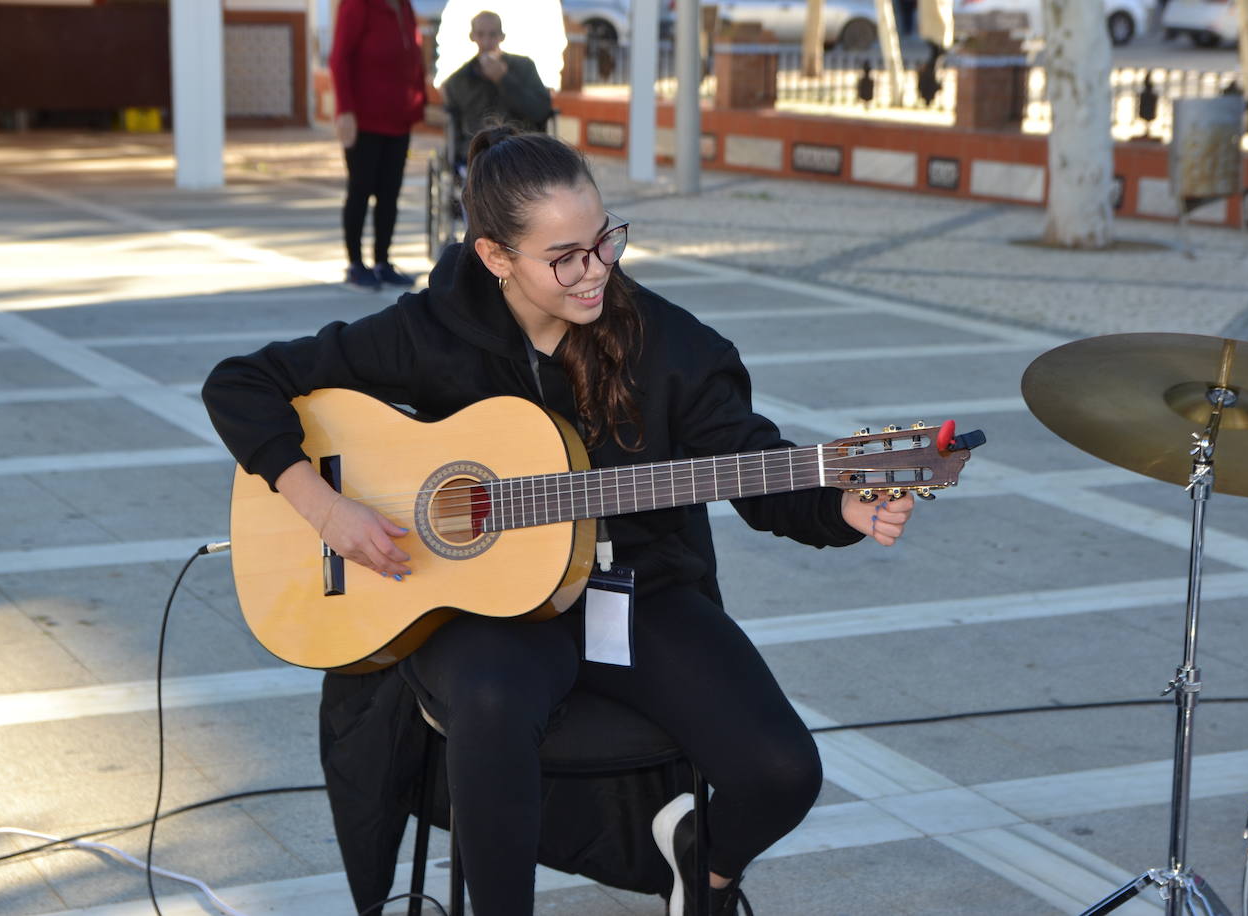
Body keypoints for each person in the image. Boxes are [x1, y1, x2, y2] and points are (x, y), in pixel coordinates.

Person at [202, 128, 916, 916]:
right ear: (496, 258)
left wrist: (838, 503)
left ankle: (701, 867)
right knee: (491, 699)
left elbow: (749, 462)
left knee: (782, 770)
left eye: (605, 240)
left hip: (631, 588)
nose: (596, 271)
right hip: (478, 606)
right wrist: (325, 506)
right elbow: (242, 382)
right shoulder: (431, 331)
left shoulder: (666, 343)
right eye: (565, 256)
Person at [329, 0, 426, 292]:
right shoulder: (358, 5)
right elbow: (339, 59)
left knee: (389, 193)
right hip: (364, 120)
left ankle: (382, 261)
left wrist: (418, 103)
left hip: (398, 119)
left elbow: (413, 56)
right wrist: (345, 111)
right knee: (360, 191)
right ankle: (356, 264)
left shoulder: (405, 7)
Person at [441, 10, 553, 161]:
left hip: (520, 152)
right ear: (472, 36)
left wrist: (504, 79)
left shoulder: (524, 67)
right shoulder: (458, 80)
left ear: (502, 37)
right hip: (479, 155)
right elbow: (454, 129)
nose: (486, 42)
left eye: (492, 34)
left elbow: (540, 111)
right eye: (481, 34)